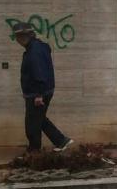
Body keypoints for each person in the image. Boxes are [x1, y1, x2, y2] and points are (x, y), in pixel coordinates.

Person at [12, 22, 73, 153]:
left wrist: (38, 95)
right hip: (44, 90)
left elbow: (38, 72)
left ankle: (34, 150)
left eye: (18, 38)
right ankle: (61, 140)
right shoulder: (40, 47)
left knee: (31, 125)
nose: (17, 41)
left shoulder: (33, 51)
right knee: (39, 120)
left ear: (25, 37)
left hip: (38, 93)